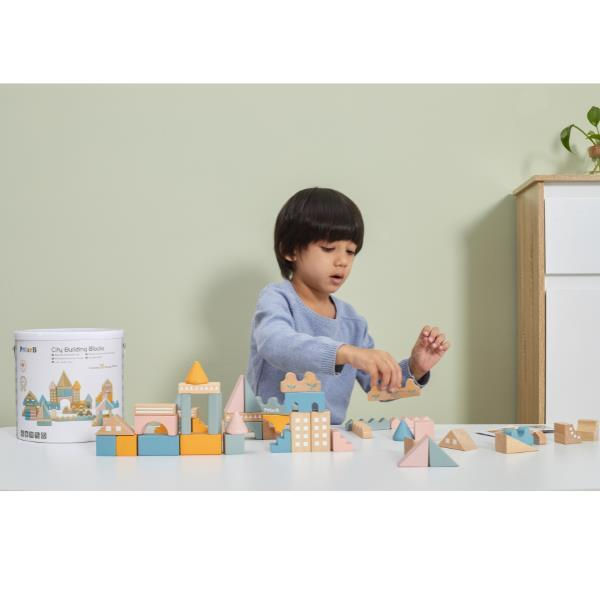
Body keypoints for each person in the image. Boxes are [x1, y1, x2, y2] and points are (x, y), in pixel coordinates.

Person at [245, 187, 450, 424]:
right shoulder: (277, 299)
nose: (342, 261)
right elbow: (275, 344)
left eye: (351, 251)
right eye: (328, 248)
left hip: (324, 436)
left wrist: (416, 368)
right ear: (289, 250)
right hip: (268, 433)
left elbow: (378, 388)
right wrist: (348, 353)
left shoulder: (353, 322)